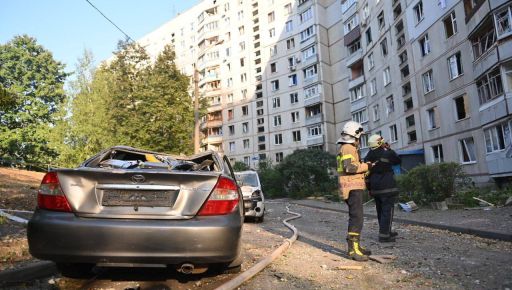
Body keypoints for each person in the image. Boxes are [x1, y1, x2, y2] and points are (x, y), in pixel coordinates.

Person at [337, 121, 373, 261]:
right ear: (355, 135)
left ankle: (356, 247)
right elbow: (349, 168)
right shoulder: (348, 147)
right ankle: (353, 250)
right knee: (356, 218)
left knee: (357, 217)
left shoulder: (347, 147)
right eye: (359, 137)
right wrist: (367, 166)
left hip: (352, 186)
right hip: (351, 187)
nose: (360, 140)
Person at [364, 134, 401, 242]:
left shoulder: (367, 157)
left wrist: (369, 189)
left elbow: (366, 174)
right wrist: (390, 149)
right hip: (387, 187)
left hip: (375, 188)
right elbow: (398, 161)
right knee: (387, 211)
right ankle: (385, 235)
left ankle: (385, 230)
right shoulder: (387, 153)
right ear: (380, 143)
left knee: (380, 211)